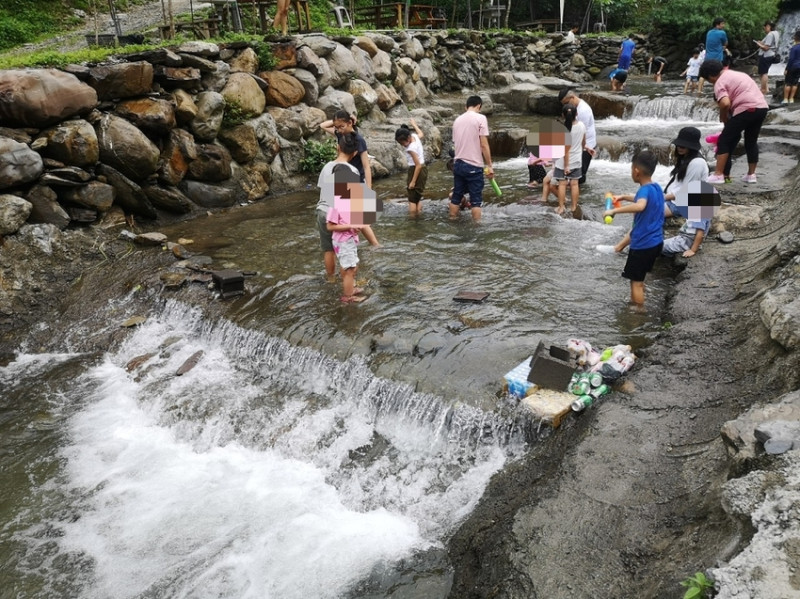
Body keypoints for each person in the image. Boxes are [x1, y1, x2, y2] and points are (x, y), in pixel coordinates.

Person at [603, 151, 664, 311]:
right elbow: (642, 199)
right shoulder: (655, 187)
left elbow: (640, 205)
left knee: (635, 282)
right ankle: (639, 303)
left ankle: (637, 312)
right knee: (640, 279)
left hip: (643, 245)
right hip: (656, 242)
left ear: (636, 171)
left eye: (631, 168)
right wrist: (623, 197)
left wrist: (614, 211)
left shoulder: (644, 191)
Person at [317, 134, 379, 281]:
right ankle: (348, 282)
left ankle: (331, 279)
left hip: (322, 210)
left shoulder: (327, 166)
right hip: (339, 215)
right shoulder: (352, 170)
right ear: (355, 153)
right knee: (345, 249)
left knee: (328, 249)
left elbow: (322, 189)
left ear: (338, 148)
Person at [700, 59, 769, 184]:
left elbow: (725, 103)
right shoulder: (738, 74)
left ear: (710, 76)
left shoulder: (719, 82)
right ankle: (751, 175)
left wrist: (723, 116)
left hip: (746, 109)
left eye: (709, 81)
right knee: (751, 141)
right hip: (761, 107)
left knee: (723, 141)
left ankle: (718, 175)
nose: (711, 83)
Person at [326, 166, 370, 303]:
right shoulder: (334, 203)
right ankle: (348, 297)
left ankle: (350, 288)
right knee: (350, 269)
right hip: (343, 241)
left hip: (348, 240)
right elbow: (330, 226)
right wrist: (350, 226)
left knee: (351, 267)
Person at [451, 95, 494, 222]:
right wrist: (489, 165)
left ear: (466, 107)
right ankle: (477, 227)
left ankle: (452, 220)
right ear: (479, 106)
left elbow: (456, 143)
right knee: (476, 200)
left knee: (456, 197)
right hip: (473, 165)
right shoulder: (480, 118)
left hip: (458, 164)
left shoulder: (457, 120)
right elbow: (484, 144)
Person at [662, 127, 709, 218]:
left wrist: (662, 197)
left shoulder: (697, 163)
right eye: (678, 145)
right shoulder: (685, 158)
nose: (679, 148)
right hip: (673, 199)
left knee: (645, 210)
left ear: (692, 147)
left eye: (683, 146)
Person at [320, 110, 372, 188]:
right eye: (337, 127)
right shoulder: (340, 134)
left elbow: (366, 166)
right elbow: (322, 125)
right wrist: (338, 121)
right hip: (342, 175)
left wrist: (369, 187)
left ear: (350, 123)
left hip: (357, 178)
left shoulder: (359, 140)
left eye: (342, 126)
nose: (340, 130)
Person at [552, 104, 586, 215]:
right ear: (576, 114)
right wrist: (584, 149)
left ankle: (561, 207)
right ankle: (574, 207)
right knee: (574, 184)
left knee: (562, 184)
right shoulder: (582, 126)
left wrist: (566, 166)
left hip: (563, 162)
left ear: (563, 115)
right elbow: (583, 142)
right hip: (577, 160)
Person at [558, 89, 597, 184]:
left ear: (572, 97)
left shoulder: (583, 111)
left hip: (585, 145)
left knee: (580, 175)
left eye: (566, 103)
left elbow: (580, 133)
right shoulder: (577, 107)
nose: (565, 106)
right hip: (580, 145)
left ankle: (580, 191)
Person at [394, 119, 427, 216]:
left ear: (408, 138)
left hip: (416, 170)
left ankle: (412, 219)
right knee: (417, 196)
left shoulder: (411, 148)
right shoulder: (414, 136)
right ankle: (418, 215)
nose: (403, 145)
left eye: (403, 143)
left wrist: (413, 181)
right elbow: (421, 134)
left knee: (412, 198)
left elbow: (418, 165)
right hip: (423, 169)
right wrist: (414, 124)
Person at [755, 21, 780, 95]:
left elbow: (766, 48)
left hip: (766, 55)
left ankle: (763, 90)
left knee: (763, 73)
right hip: (772, 54)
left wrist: (759, 44)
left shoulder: (770, 34)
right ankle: (766, 89)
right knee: (764, 72)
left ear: (768, 26)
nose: (764, 29)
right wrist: (761, 43)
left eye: (765, 27)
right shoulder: (776, 33)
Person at [784, 29, 800, 104]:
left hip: (793, 67)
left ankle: (785, 99)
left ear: (795, 38)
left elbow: (791, 59)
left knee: (788, 83)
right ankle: (791, 99)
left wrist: (787, 69)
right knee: (795, 83)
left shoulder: (794, 48)